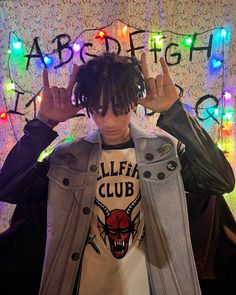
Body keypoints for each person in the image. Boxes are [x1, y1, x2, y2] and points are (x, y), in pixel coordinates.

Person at [0, 52, 234, 295]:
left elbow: (221, 181)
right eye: (100, 110)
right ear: (89, 105)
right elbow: (8, 188)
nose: (109, 121)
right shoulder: (66, 158)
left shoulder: (164, 154)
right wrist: (43, 124)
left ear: (134, 103)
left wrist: (176, 114)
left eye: (119, 109)